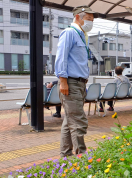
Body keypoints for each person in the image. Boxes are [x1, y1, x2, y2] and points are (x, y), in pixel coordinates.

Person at [55, 5, 95, 157]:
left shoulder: (83, 35)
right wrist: (63, 80)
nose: (91, 23)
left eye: (92, 20)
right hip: (70, 83)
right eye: (88, 19)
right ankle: (82, 156)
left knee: (70, 120)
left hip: (79, 83)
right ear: (78, 17)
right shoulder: (70, 33)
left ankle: (65, 155)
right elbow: (61, 58)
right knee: (78, 121)